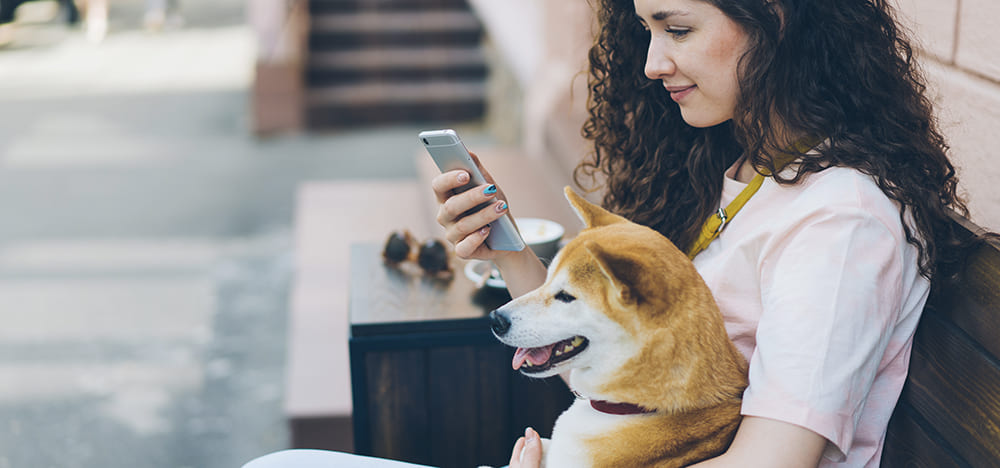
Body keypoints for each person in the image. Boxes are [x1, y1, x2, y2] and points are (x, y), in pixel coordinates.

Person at [243, 0, 986, 467]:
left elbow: (772, 462)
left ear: (778, 21)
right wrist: (500, 242)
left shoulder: (840, 221)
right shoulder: (747, 173)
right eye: (645, 30)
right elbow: (629, 359)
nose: (652, 62)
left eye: (678, 28)